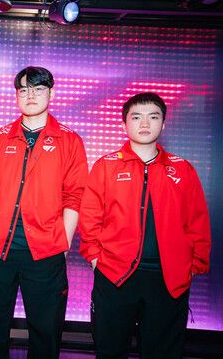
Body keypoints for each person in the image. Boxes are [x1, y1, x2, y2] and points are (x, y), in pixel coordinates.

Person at [78, 92, 211, 358]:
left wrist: (193, 266)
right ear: (124, 124)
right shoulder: (106, 166)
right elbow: (90, 216)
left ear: (164, 123)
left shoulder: (182, 169)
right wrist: (95, 258)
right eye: (136, 117)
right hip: (115, 275)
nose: (145, 123)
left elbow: (197, 221)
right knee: (110, 350)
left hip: (168, 279)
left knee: (163, 352)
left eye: (154, 117)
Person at [0, 66, 88, 359]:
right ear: (16, 96)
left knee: (45, 331)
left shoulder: (69, 141)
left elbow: (75, 195)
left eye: (38, 89)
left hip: (46, 250)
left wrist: (63, 243)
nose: (30, 95)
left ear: (51, 93)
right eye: (23, 90)